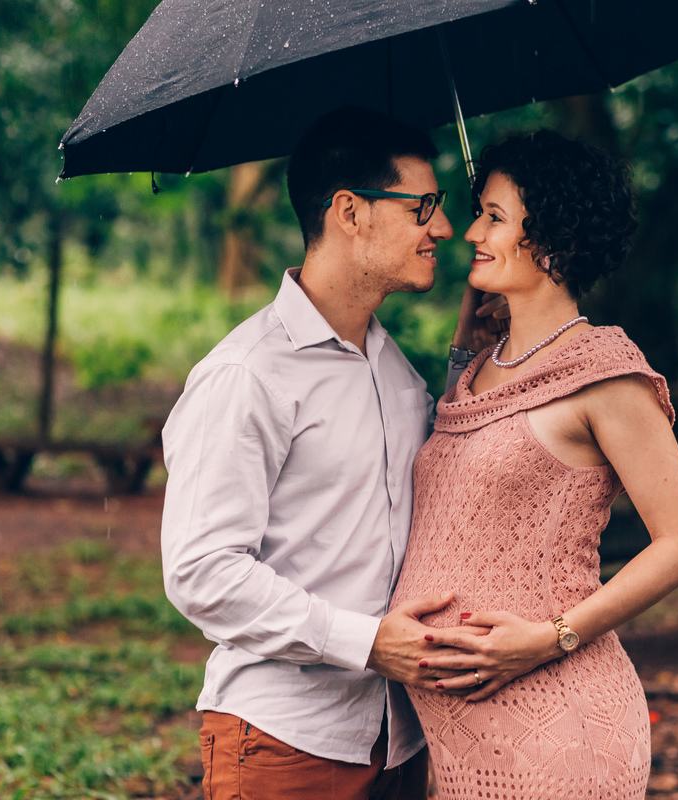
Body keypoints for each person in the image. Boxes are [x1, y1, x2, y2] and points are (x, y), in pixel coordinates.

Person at [160, 107, 505, 800]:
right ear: (350, 212)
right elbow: (201, 572)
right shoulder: (247, 375)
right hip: (288, 743)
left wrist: (476, 354)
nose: (442, 228)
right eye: (423, 207)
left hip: (398, 739)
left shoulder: (392, 367)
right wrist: (367, 642)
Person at [391, 130, 678, 799]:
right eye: (480, 211)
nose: (471, 230)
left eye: (495, 218)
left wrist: (548, 638)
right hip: (459, 740)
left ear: (554, 244)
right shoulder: (480, 365)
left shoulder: (604, 375)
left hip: (556, 732)